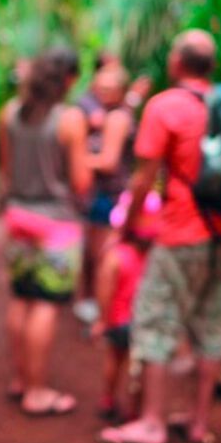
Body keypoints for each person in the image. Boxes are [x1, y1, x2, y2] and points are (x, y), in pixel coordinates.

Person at [99, 30, 221, 443]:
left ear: (177, 63)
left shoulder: (165, 106)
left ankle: (152, 423)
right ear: (210, 66)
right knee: (211, 324)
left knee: (155, 321)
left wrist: (126, 226)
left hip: (182, 232)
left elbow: (144, 178)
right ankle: (198, 423)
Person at [0, 48, 92, 415]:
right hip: (56, 224)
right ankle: (37, 392)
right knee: (45, 304)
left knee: (21, 298)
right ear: (67, 79)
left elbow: (7, 173)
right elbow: (81, 183)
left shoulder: (10, 113)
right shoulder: (70, 119)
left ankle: (21, 379)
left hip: (18, 217)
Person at [74, 65, 137, 326]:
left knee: (101, 257)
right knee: (91, 254)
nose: (103, 90)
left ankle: (104, 316)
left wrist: (74, 160)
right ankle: (92, 305)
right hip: (99, 195)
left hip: (109, 196)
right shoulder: (107, 115)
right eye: (100, 85)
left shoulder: (117, 119)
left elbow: (108, 161)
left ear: (121, 90)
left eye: (110, 87)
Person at [91, 191, 161, 421]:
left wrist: (102, 319)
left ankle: (108, 398)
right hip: (143, 322)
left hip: (118, 321)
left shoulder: (116, 256)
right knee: (138, 366)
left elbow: (105, 289)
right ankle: (134, 409)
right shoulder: (154, 257)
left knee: (114, 358)